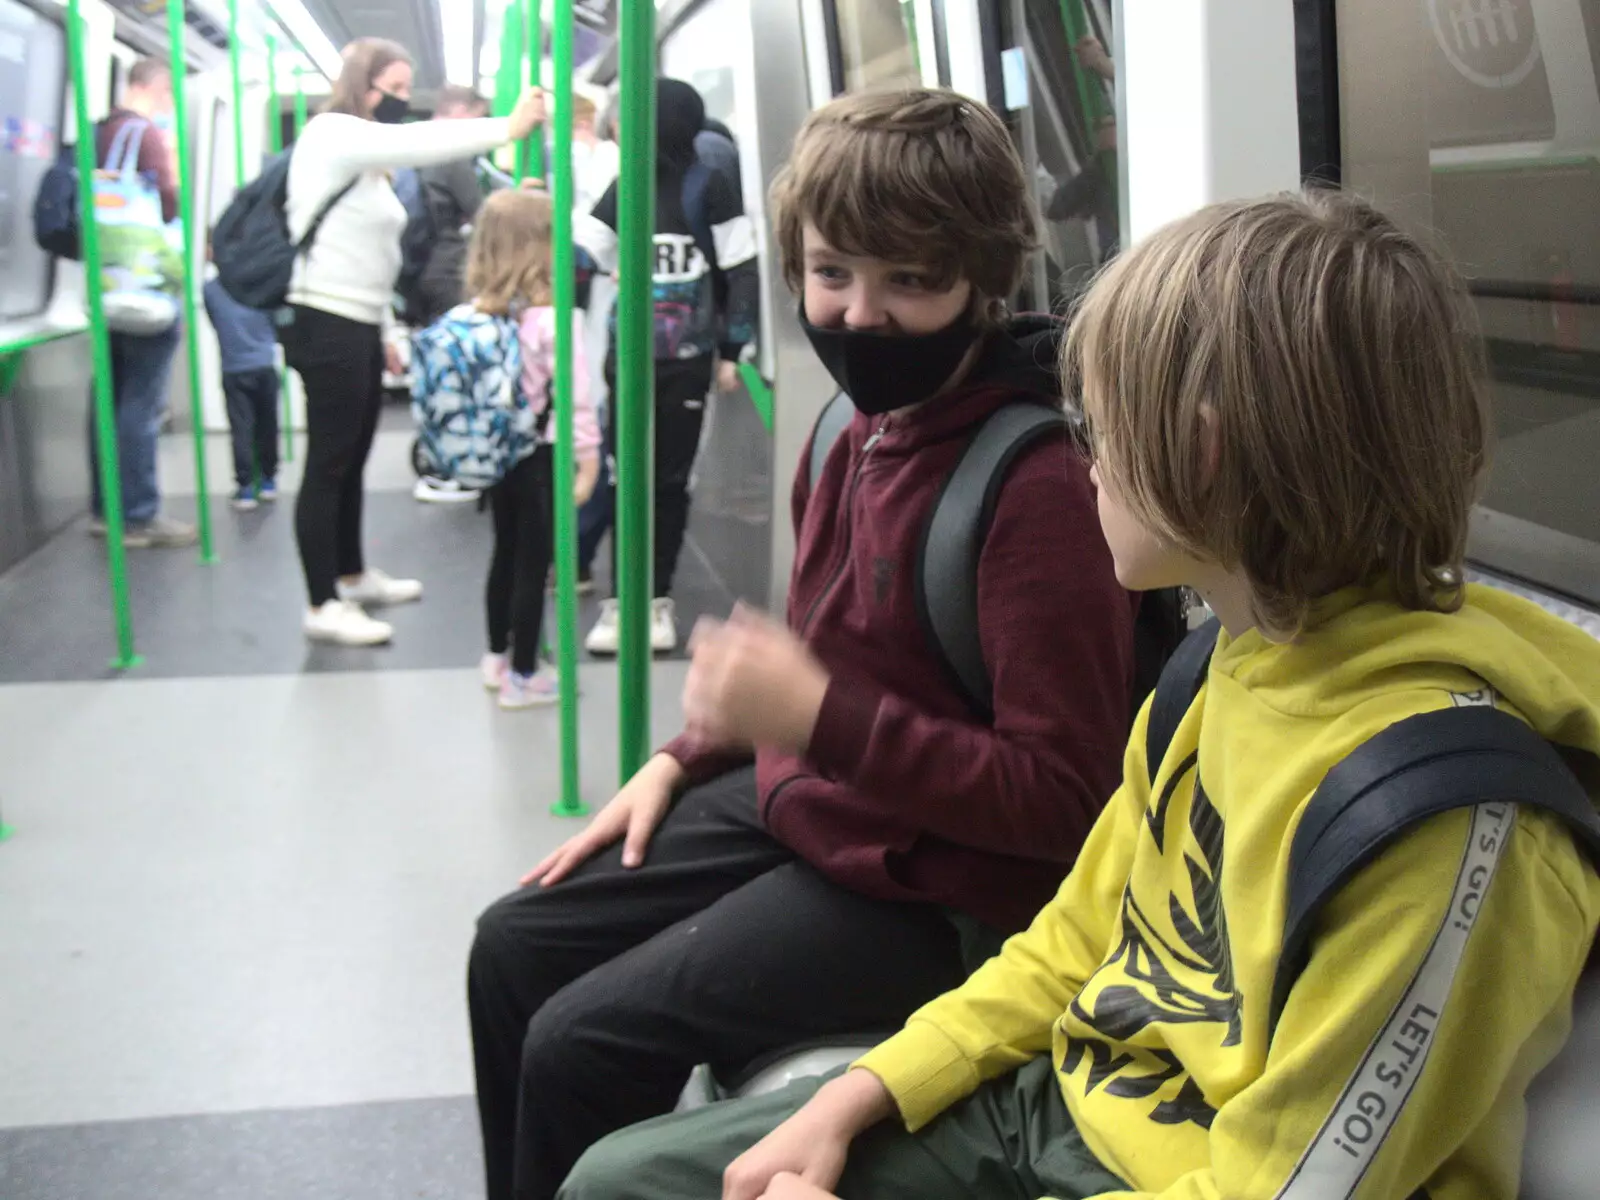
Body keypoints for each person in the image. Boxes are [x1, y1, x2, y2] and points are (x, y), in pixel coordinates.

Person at [555, 190, 1600, 1200]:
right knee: (619, 1180)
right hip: (1064, 1106)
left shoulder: (1444, 820)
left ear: (1199, 451)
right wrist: (873, 1087)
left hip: (1177, 1169)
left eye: (1097, 429)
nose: (1082, 464)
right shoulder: (1219, 667)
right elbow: (1079, 939)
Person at [468, 87, 1137, 1200]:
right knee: (512, 947)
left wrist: (819, 722)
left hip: (942, 887)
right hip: (817, 796)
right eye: (832, 275)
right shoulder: (849, 425)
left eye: (910, 282)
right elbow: (820, 661)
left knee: (577, 1042)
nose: (860, 315)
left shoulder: (1036, 489)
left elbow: (1066, 804)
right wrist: (680, 760)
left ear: (981, 280)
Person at [279, 37, 543, 646]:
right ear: (363, 83)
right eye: (394, 90)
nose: (401, 102)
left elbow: (367, 251)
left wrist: (386, 328)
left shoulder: (364, 156)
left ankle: (350, 573)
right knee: (328, 462)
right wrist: (505, 126)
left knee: (352, 455)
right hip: (326, 318)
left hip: (358, 317)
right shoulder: (332, 134)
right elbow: (419, 144)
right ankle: (321, 603)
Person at [575, 78, 758, 654]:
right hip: (627, 357)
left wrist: (732, 351)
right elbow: (588, 250)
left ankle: (654, 598)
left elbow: (741, 271)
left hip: (687, 357)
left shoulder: (711, 186)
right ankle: (622, 597)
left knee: (670, 480)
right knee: (622, 472)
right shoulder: (624, 186)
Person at [464, 188, 602, 708]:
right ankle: (523, 675)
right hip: (541, 455)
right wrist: (587, 461)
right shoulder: (552, 319)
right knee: (534, 562)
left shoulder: (482, 314)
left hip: (499, 451)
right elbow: (576, 398)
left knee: (504, 553)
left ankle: (497, 655)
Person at [87, 58, 196, 548]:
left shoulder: (98, 133)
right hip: (145, 290)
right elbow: (168, 206)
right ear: (156, 87)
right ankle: (137, 515)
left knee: (106, 398)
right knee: (140, 402)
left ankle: (104, 509)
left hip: (106, 285)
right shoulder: (146, 135)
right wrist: (169, 165)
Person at [406, 84, 494, 327]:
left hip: (414, 265)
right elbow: (481, 213)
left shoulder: (412, 142)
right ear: (460, 110)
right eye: (478, 118)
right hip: (447, 268)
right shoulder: (451, 151)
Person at [202, 255, 281, 511]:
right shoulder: (264, 285)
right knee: (268, 425)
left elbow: (216, 322)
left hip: (234, 367)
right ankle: (268, 481)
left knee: (241, 429)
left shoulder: (211, 290)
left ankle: (245, 488)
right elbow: (276, 322)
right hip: (265, 363)